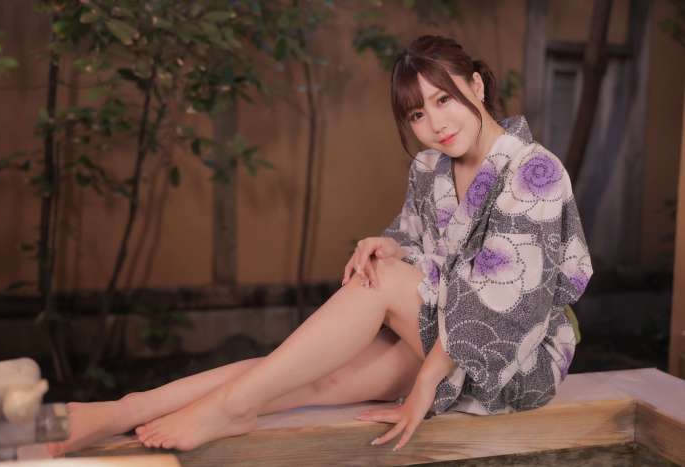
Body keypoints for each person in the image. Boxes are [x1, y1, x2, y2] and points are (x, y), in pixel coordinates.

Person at [48, 34, 592, 455]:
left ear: (476, 85)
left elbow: (503, 304)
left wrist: (424, 385)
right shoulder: (431, 167)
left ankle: (227, 408)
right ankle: (124, 410)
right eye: (417, 113)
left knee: (377, 287)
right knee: (313, 374)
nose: (435, 123)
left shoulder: (534, 171)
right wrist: (389, 245)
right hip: (443, 330)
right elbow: (414, 237)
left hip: (513, 360)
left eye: (444, 98)